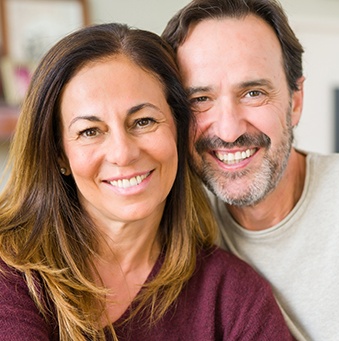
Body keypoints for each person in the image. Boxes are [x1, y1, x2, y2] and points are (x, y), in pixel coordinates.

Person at [0, 22, 294, 341]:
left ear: (180, 130)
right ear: (60, 154)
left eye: (143, 121)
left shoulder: (233, 296)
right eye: (90, 131)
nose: (123, 154)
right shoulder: (11, 272)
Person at [162, 0, 339, 340]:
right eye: (200, 99)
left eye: (253, 93)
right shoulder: (180, 230)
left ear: (295, 102)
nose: (228, 131)